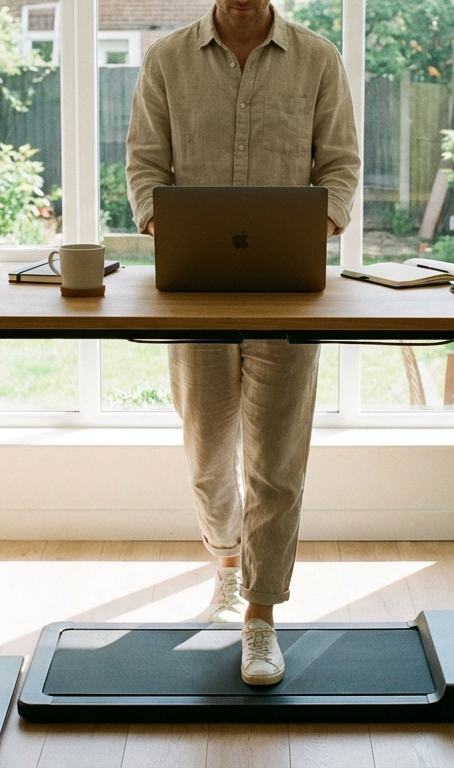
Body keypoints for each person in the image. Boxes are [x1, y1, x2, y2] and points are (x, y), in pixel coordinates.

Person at [125, 0, 360, 685]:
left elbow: (340, 167)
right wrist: (162, 225)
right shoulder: (166, 59)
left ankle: (261, 615)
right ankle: (227, 564)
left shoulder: (318, 58)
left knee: (277, 464)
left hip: (288, 291)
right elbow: (145, 168)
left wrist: (310, 230)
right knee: (207, 455)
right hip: (194, 289)